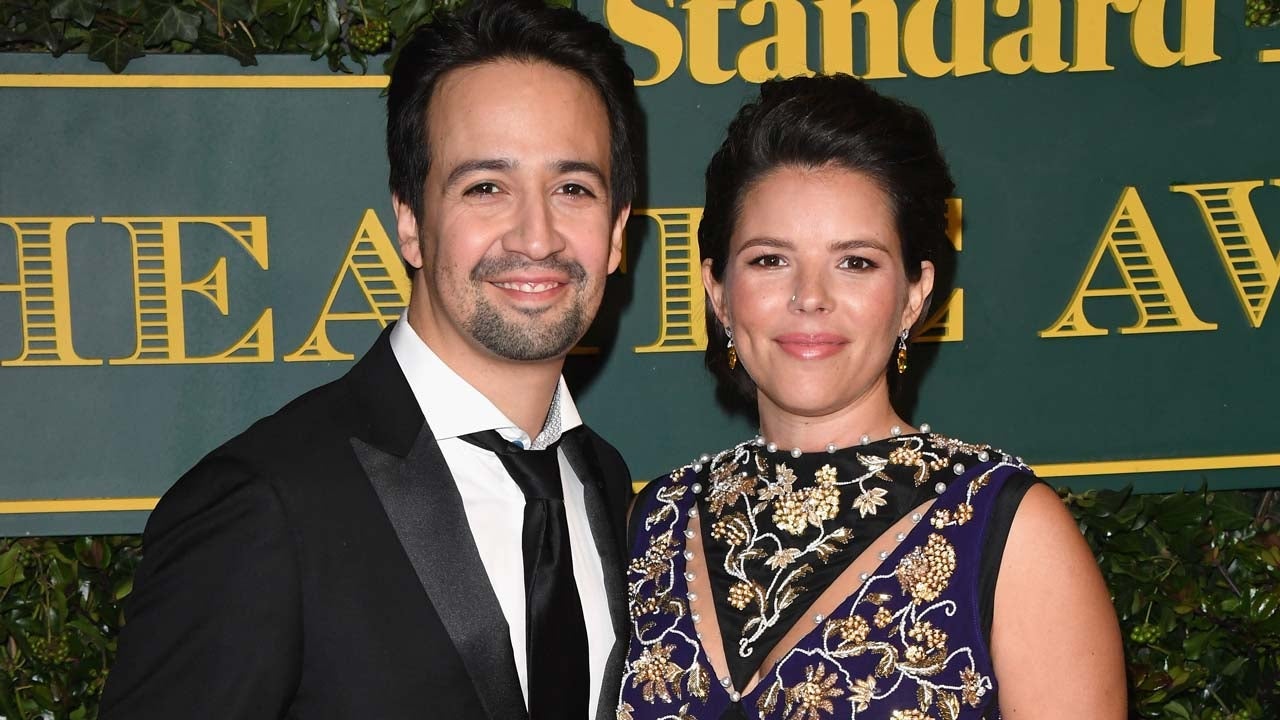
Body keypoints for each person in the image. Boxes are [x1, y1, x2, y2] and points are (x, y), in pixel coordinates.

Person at [99, 1, 640, 718]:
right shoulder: (265, 506)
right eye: (486, 187)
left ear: (616, 233)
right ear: (411, 224)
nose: (536, 237)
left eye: (572, 188)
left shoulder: (606, 480)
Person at [619, 75, 1126, 720]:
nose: (810, 296)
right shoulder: (652, 523)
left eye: (856, 261)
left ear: (915, 294)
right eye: (770, 259)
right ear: (717, 290)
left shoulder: (1005, 530)